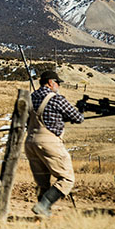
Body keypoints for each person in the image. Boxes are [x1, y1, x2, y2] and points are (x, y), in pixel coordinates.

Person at [25, 70, 84, 217]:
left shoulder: (30, 98)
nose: (58, 86)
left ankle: (42, 216)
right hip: (49, 142)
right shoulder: (56, 99)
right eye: (57, 83)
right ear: (50, 82)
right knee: (67, 178)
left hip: (30, 143)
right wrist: (81, 110)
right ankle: (43, 206)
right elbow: (77, 118)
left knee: (42, 183)